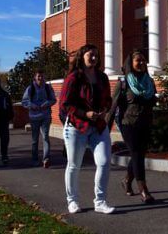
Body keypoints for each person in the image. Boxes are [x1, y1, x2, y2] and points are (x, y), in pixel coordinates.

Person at [59, 44, 115, 215]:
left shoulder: (102, 77)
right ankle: (73, 201)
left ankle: (100, 201)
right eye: (91, 54)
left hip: (98, 126)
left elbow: (108, 98)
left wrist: (105, 109)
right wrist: (85, 113)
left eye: (96, 55)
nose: (94, 58)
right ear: (82, 56)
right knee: (74, 165)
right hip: (77, 127)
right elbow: (65, 104)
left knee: (104, 162)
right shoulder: (74, 78)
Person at [107, 50, 157, 204]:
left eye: (143, 60)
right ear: (131, 63)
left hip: (145, 122)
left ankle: (127, 181)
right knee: (136, 152)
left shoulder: (149, 82)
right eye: (138, 60)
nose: (141, 63)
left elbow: (152, 101)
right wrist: (105, 129)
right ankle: (143, 190)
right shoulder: (124, 83)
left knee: (139, 154)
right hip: (128, 123)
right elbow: (113, 106)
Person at [22, 70, 57, 168]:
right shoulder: (30, 88)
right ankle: (34, 159)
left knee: (45, 137)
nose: (40, 78)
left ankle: (46, 159)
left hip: (45, 116)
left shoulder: (47, 87)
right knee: (35, 139)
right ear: (35, 77)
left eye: (42, 76)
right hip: (34, 117)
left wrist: (46, 104)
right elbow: (24, 102)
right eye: (38, 76)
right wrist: (32, 105)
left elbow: (54, 99)